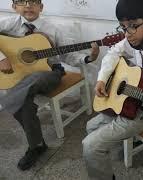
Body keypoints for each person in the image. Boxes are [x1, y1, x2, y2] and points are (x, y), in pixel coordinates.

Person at [81, 0, 143, 179]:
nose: (127, 34)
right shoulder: (130, 41)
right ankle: (103, 159)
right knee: (89, 127)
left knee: (89, 145)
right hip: (126, 103)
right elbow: (112, 53)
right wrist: (103, 79)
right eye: (123, 27)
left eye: (133, 26)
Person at [0, 0, 99, 171]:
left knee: (27, 86)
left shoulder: (52, 29)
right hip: (22, 76)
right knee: (25, 103)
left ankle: (8, 102)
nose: (28, 6)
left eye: (33, 2)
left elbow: (68, 55)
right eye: (22, 2)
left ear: (41, 7)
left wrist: (88, 58)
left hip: (50, 72)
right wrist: (2, 57)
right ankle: (37, 145)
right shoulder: (7, 24)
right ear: (14, 7)